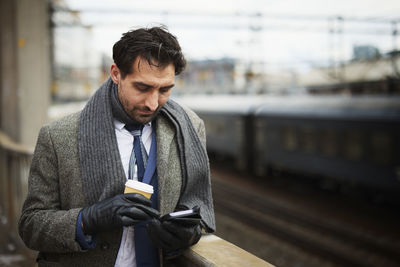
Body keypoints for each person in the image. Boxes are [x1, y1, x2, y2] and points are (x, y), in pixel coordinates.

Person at [18, 26, 215, 267]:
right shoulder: (57, 137)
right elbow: (30, 225)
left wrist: (189, 232)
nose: (153, 104)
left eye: (164, 90)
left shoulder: (190, 128)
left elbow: (198, 208)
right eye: (142, 87)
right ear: (115, 73)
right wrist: (86, 220)